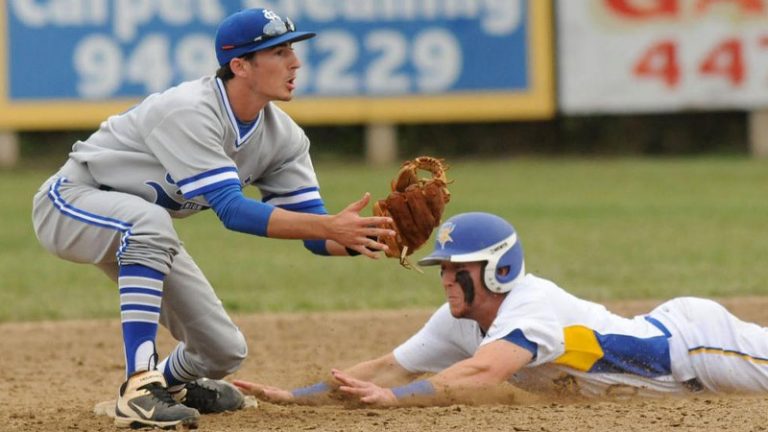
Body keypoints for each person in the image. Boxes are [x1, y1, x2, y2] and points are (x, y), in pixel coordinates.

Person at [31, 8, 395, 429]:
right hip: (71, 203)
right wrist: (330, 225)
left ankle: (169, 386)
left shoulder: (284, 139)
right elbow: (233, 210)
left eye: (292, 50)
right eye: (278, 52)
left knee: (221, 351)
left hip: (142, 233)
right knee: (149, 224)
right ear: (239, 65)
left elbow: (314, 232)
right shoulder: (189, 109)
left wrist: (369, 235)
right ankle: (139, 388)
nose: (295, 62)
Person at [233, 212, 768, 407]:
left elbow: (486, 370)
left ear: (497, 270)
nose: (445, 277)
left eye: (456, 267)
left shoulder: (530, 306)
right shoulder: (458, 320)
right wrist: (296, 397)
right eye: (442, 267)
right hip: (680, 368)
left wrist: (394, 401)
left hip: (692, 347)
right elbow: (387, 369)